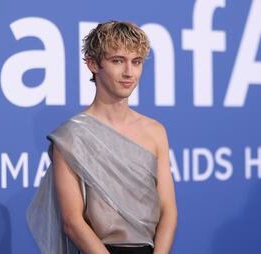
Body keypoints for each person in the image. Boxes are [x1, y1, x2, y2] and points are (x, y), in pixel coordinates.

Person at [27, 20, 177, 254]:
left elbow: (168, 211)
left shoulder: (156, 131)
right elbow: (72, 222)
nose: (129, 72)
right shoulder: (70, 136)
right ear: (93, 64)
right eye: (118, 61)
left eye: (136, 62)